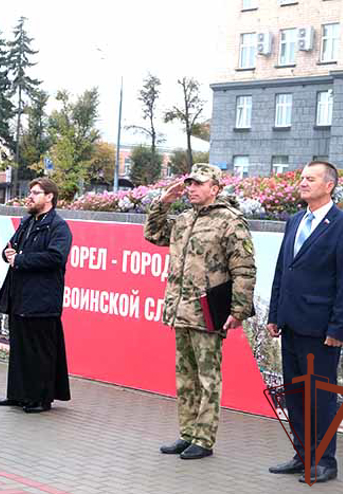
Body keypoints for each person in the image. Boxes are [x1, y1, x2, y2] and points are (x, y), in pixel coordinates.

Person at [144, 163, 256, 460]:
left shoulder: (230, 221)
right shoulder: (184, 218)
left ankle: (204, 439)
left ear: (215, 189)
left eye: (198, 184)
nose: (191, 188)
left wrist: (239, 309)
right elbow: (153, 234)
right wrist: (163, 202)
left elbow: (244, 268)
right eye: (189, 183)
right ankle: (188, 433)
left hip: (208, 312)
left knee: (208, 378)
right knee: (185, 377)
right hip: (181, 310)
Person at [266, 161, 343, 484]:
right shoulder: (295, 220)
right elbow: (283, 270)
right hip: (291, 324)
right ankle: (302, 454)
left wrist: (338, 328)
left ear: (330, 184)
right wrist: (274, 315)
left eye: (311, 179)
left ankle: (325, 462)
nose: (303, 183)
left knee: (320, 396)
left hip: (321, 331)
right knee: (295, 394)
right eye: (302, 178)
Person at [0, 178, 72, 414]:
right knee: (19, 349)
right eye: (30, 192)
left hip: (42, 299)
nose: (30, 196)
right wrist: (7, 254)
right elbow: (11, 248)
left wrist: (21, 259)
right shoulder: (27, 222)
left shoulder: (58, 226)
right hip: (19, 296)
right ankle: (18, 394)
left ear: (49, 197)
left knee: (40, 351)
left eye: (36, 193)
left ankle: (41, 398)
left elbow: (56, 257)